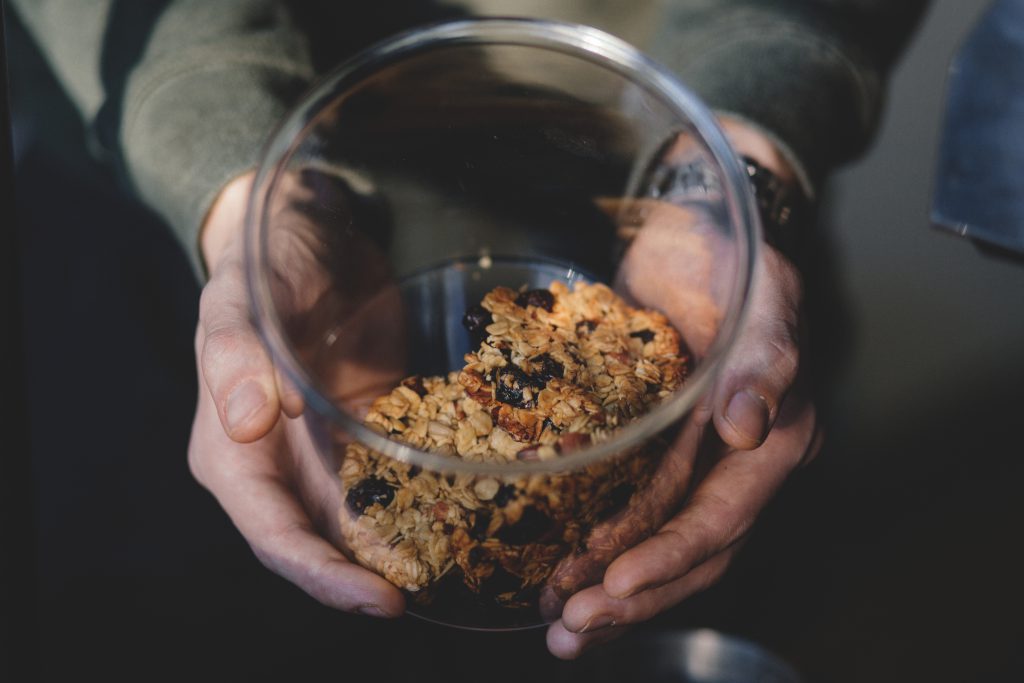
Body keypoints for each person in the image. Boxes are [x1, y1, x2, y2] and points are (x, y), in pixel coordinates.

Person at [9, 0, 928, 661]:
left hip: (650, 147)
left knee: (718, 583)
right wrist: (246, 189)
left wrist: (731, 174)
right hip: (170, 178)